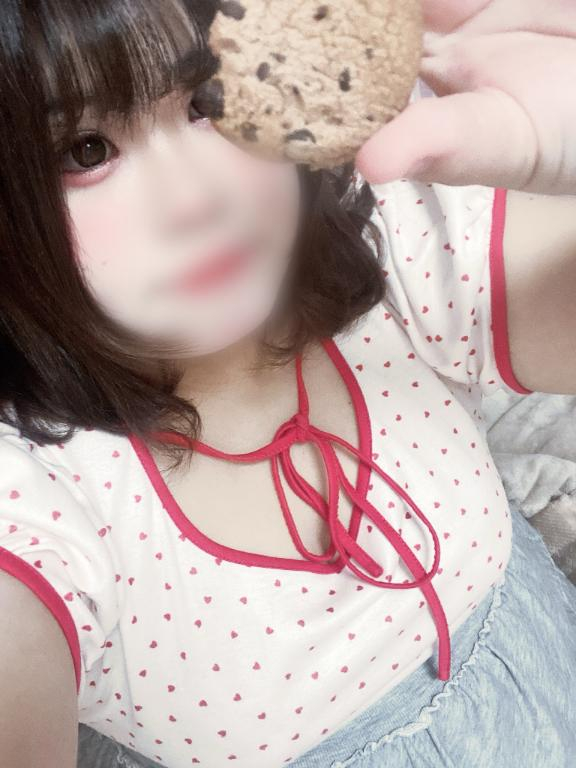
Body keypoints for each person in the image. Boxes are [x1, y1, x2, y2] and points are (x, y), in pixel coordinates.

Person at [0, 1, 574, 767]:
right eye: (86, 150)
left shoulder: (391, 242)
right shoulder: (38, 500)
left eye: (207, 101)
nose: (198, 200)